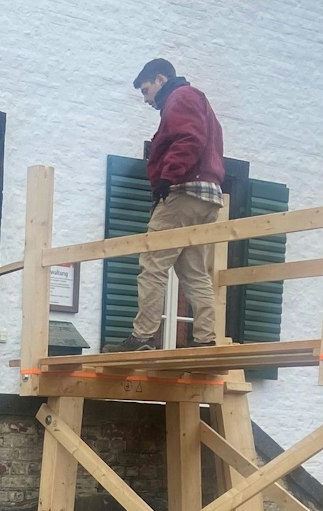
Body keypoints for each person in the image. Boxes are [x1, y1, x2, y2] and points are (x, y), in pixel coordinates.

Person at [127, 58, 227, 350]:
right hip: (208, 197)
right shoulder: (196, 100)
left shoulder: (180, 97)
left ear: (160, 79)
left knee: (153, 264)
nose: (146, 99)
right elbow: (197, 139)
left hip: (184, 191)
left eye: (146, 90)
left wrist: (166, 177)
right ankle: (205, 339)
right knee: (194, 271)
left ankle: (143, 336)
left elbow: (188, 139)